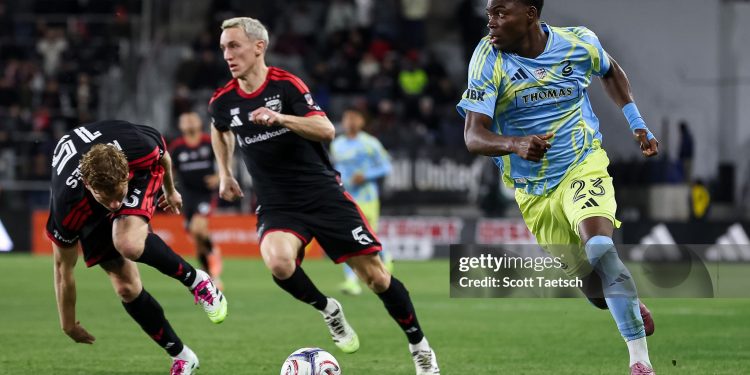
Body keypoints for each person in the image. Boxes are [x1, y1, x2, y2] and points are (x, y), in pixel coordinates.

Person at [209, 17, 440, 374]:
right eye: (223, 47)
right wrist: (225, 172)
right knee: (278, 262)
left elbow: (325, 129)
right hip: (277, 204)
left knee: (377, 278)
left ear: (259, 47)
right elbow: (219, 128)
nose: (227, 54)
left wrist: (281, 118)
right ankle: (328, 309)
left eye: (234, 45)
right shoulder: (223, 100)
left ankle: (419, 346)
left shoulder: (286, 86)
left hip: (322, 195)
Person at [457, 1, 658, 374]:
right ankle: (626, 301)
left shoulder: (577, 43)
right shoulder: (488, 58)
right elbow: (473, 136)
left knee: (600, 247)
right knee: (596, 292)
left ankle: (640, 362)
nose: (491, 22)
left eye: (501, 13)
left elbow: (609, 70)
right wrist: (515, 143)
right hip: (534, 191)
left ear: (530, 15)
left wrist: (637, 122)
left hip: (582, 164)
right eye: (489, 13)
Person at [47, 120, 227, 375]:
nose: (115, 204)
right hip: (88, 207)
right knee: (126, 287)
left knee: (127, 243)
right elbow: (62, 268)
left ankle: (197, 281)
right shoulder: (67, 204)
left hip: (140, 176)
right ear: (88, 185)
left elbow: (163, 154)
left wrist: (171, 190)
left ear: (126, 173)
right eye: (105, 197)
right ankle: (183, 356)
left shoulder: (137, 148)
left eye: (118, 193)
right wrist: (67, 324)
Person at [330, 108, 393, 296]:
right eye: (347, 117)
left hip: (367, 198)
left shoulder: (370, 143)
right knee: (349, 239)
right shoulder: (337, 144)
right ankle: (351, 282)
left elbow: (386, 166)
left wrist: (365, 176)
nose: (350, 121)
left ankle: (385, 255)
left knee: (366, 239)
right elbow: (337, 167)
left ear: (362, 122)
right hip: (345, 197)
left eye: (354, 118)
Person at [170, 112, 224, 289]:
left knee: (198, 227)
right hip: (187, 195)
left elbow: (225, 161)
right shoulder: (177, 147)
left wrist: (219, 176)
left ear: (200, 122)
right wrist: (169, 190)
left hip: (205, 193)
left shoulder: (209, 142)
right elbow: (169, 171)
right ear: (180, 126)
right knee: (197, 237)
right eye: (185, 120)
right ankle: (209, 270)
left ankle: (212, 266)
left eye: (192, 119)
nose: (189, 122)